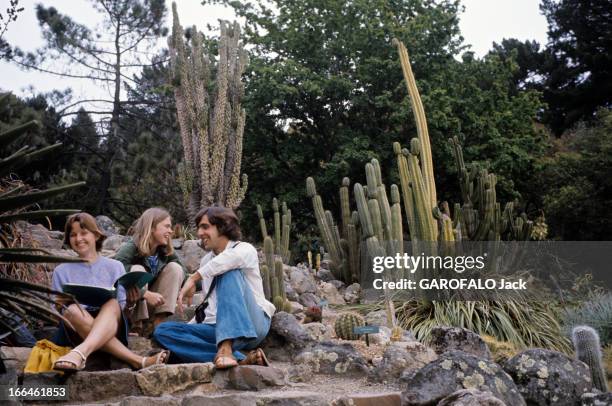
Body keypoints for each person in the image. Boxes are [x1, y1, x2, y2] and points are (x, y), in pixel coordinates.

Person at [153, 207, 275, 369]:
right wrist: (186, 333)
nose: (199, 233)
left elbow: (229, 260)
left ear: (223, 227)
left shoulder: (244, 249)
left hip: (251, 324)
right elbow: (210, 308)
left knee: (229, 272)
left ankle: (226, 349)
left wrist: (194, 278)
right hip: (217, 327)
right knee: (162, 331)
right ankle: (240, 358)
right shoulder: (206, 262)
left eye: (205, 227)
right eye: (198, 228)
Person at [51, 213, 169, 372]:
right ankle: (137, 360)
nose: (78, 239)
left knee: (113, 303)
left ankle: (79, 353)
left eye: (84, 233)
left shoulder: (115, 266)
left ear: (96, 235)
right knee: (71, 309)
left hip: (111, 322)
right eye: (73, 235)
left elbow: (122, 312)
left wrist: (131, 303)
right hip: (75, 326)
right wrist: (60, 305)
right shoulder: (61, 271)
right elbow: (55, 312)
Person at [114, 208, 188, 328]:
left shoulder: (164, 251)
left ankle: (158, 323)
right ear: (152, 227)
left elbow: (183, 270)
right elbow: (114, 272)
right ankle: (137, 325)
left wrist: (193, 282)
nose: (171, 231)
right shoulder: (131, 248)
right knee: (138, 269)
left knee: (175, 268)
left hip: (155, 304)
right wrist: (144, 293)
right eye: (167, 226)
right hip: (130, 305)